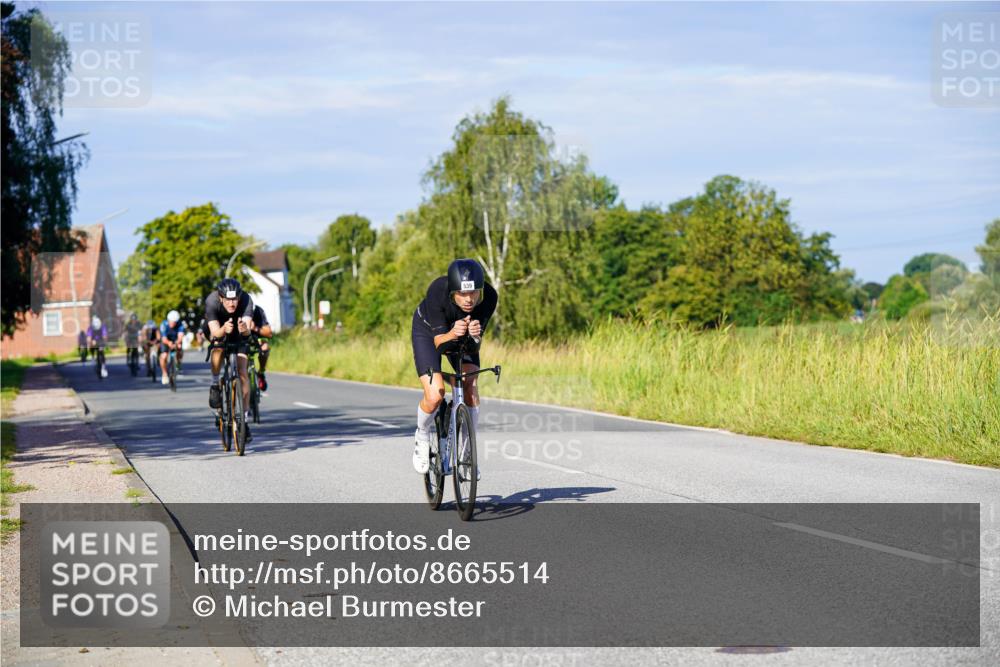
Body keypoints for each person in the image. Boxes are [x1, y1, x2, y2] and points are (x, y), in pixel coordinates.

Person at [410, 258, 497, 475]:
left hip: (462, 334)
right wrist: (452, 333)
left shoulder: (489, 297)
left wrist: (475, 335)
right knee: (435, 394)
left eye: (474, 293)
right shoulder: (437, 291)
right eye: (463, 294)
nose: (469, 299)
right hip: (430, 333)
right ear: (452, 292)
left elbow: (475, 346)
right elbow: (439, 344)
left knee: (470, 384)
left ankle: (467, 453)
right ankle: (422, 434)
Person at [205, 278, 255, 441]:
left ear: (239, 297)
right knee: (218, 347)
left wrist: (244, 329)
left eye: (234, 299)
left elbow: (247, 331)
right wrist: (223, 330)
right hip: (219, 329)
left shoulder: (246, 300)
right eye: (228, 300)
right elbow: (214, 332)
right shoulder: (212, 301)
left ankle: (244, 421)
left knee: (243, 372)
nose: (232, 303)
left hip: (238, 333)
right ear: (221, 298)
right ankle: (215, 383)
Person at [158, 310, 186, 386]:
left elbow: (180, 337)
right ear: (168, 320)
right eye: (171, 322)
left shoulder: (180, 325)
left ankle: (178, 364)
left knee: (179, 348)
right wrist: (169, 343)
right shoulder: (164, 324)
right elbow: (163, 338)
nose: (172, 324)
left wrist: (177, 343)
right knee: (164, 356)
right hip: (166, 340)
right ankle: (164, 374)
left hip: (175, 340)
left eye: (174, 322)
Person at [250, 304, 273, 391]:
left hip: (256, 338)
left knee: (265, 347)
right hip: (241, 340)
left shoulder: (258, 311)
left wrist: (255, 328)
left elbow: (269, 333)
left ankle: (261, 372)